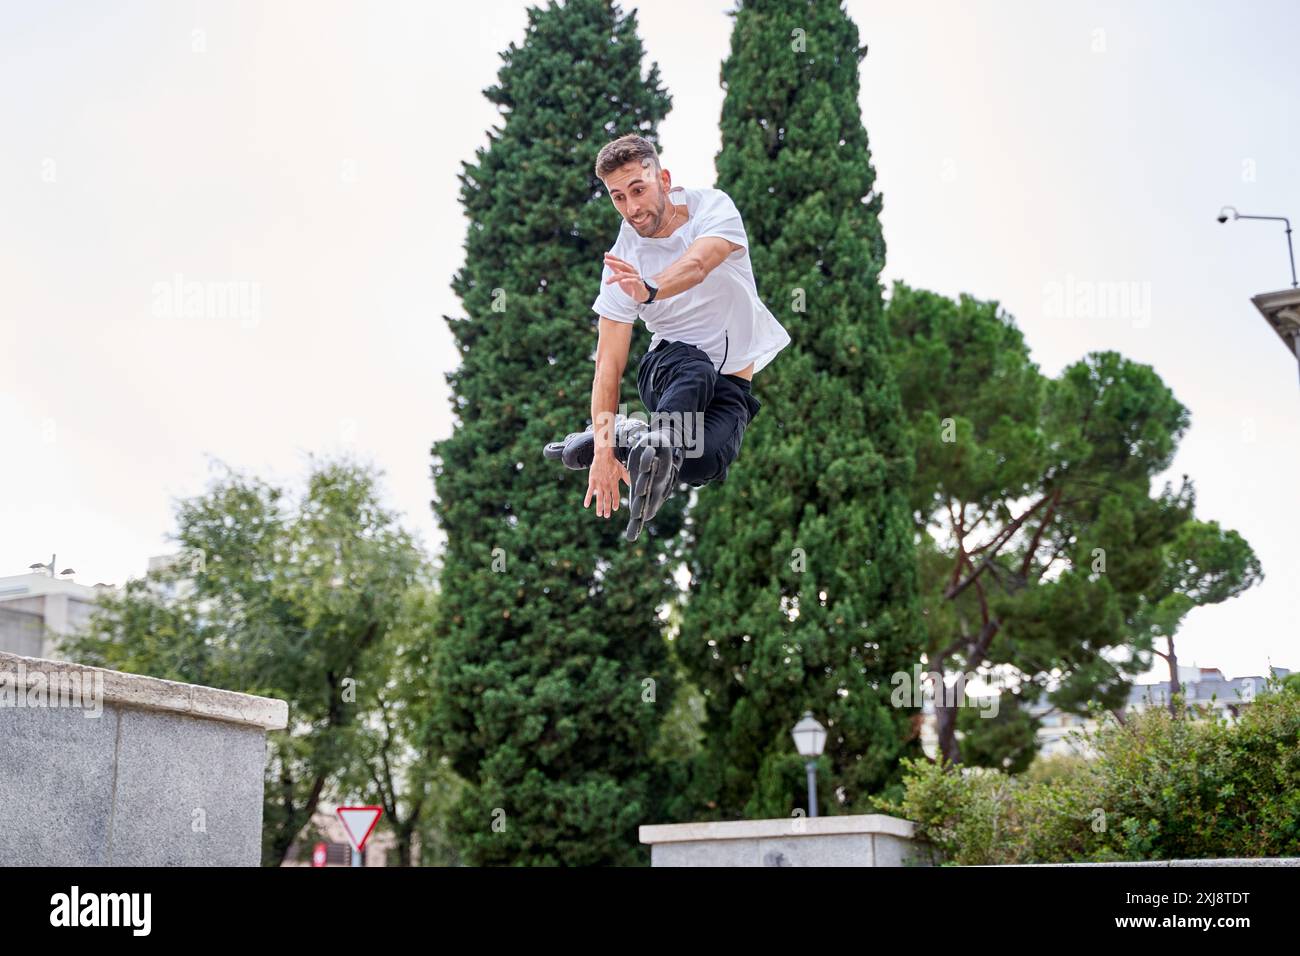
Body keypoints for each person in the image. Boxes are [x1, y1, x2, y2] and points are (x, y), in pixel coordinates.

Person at [542, 133, 790, 542]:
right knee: (695, 370)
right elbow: (608, 364)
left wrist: (651, 289)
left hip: (733, 381)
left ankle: (634, 435)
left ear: (664, 179)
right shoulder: (620, 264)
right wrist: (601, 452)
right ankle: (643, 437)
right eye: (618, 197)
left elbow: (698, 263)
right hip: (669, 369)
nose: (632, 208)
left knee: (703, 463)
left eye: (638, 190)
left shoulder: (712, 208)